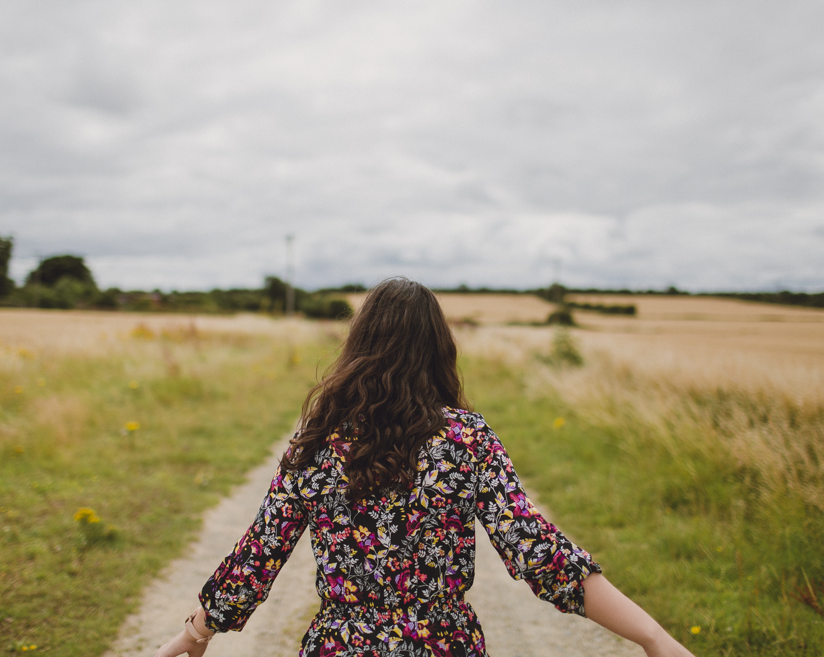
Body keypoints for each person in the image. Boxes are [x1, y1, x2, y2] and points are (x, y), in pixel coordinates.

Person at [155, 278, 695, 657]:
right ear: (439, 350)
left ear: (358, 346)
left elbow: (258, 556)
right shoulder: (466, 441)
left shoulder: (318, 444)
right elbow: (540, 554)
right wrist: (651, 636)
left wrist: (195, 633)